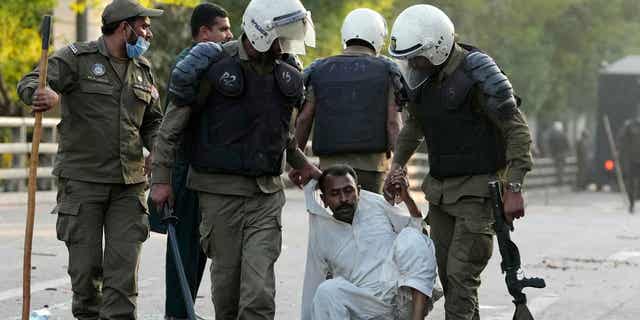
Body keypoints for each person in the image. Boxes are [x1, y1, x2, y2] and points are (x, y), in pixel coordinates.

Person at [150, 0, 320, 318]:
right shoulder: (210, 65)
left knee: (258, 293)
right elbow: (171, 129)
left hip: (265, 197)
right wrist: (161, 180)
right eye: (279, 35)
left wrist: (303, 165)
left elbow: (281, 134)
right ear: (260, 31)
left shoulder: (286, 73)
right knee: (227, 292)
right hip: (219, 196)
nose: (283, 44)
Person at [384, 4, 533, 320]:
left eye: (417, 57)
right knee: (452, 285)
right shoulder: (421, 78)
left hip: (477, 196)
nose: (412, 64)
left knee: (461, 281)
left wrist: (515, 186)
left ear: (436, 47)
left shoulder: (477, 73)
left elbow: (517, 130)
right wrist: (396, 166)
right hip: (440, 196)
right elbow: (414, 126)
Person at [16, 0, 163, 318]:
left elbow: (154, 122)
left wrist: (158, 154)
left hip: (130, 186)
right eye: (143, 25)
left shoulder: (143, 70)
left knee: (122, 279)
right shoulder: (76, 58)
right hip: (83, 185)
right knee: (85, 278)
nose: (148, 32)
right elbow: (31, 82)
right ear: (124, 28)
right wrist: (42, 95)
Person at [145, 3, 233, 319]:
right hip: (185, 171)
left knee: (197, 252)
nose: (229, 34)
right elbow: (173, 127)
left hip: (202, 170)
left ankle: (183, 311)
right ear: (203, 32)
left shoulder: (216, 63)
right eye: (222, 29)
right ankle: (178, 314)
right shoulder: (191, 63)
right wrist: (163, 176)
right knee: (183, 252)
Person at [301, 165, 438, 320]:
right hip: (365, 308)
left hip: (401, 298)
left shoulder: (376, 205)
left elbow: (418, 230)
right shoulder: (322, 233)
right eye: (334, 194)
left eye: (348, 191)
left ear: (358, 191)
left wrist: (407, 199)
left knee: (412, 237)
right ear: (324, 200)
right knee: (327, 291)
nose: (343, 199)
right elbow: (313, 287)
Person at [293, 8, 404, 194]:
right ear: (378, 37)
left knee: (336, 221)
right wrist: (399, 167)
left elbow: (304, 120)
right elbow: (394, 124)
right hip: (372, 169)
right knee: (371, 221)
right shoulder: (388, 71)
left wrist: (298, 163)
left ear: (345, 35)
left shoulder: (319, 70)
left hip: (330, 170)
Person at [617, 117, 640, 213]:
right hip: (632, 159)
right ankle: (631, 203)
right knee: (631, 183)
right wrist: (618, 149)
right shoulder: (630, 126)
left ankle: (635, 199)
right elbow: (621, 139)